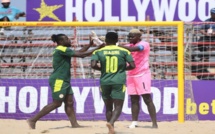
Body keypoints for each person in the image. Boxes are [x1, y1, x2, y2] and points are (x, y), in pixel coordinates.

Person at [27, 33, 104, 129]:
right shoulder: (61, 49)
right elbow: (81, 55)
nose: (69, 40)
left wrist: (89, 45)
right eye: (67, 39)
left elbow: (79, 52)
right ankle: (33, 119)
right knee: (57, 103)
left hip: (65, 80)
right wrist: (99, 48)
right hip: (59, 80)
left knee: (69, 102)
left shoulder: (63, 50)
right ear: (60, 42)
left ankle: (74, 124)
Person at [91, 32, 135, 134]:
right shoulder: (124, 51)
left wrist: (102, 69)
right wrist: (122, 68)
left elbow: (93, 65)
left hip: (105, 81)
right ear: (117, 40)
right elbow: (132, 65)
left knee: (108, 107)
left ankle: (111, 129)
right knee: (118, 106)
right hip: (118, 81)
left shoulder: (99, 51)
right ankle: (111, 123)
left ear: (105, 40)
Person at [119, 29, 158, 128]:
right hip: (131, 75)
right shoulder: (128, 46)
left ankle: (154, 123)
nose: (130, 38)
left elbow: (135, 49)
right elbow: (121, 48)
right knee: (133, 99)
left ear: (139, 37)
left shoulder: (144, 44)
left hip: (142, 74)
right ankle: (134, 122)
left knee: (147, 99)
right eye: (129, 37)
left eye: (132, 37)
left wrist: (117, 45)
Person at [192, 8, 215, 80]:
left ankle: (205, 56)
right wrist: (206, 33)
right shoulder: (207, 21)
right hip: (207, 36)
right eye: (212, 13)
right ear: (211, 14)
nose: (213, 14)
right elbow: (201, 29)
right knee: (200, 41)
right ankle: (204, 55)